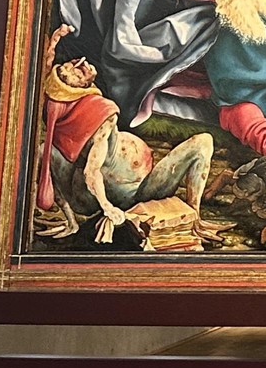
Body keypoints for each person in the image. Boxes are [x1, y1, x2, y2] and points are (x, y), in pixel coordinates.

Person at [34, 26, 214, 246]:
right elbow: (91, 171)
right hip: (134, 192)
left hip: (87, 197)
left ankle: (71, 221)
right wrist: (108, 208)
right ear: (74, 90)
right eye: (76, 71)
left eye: (71, 63)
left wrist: (54, 42)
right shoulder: (98, 114)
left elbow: (45, 75)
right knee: (204, 141)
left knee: (43, 150)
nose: (80, 63)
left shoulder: (62, 114)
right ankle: (195, 219)